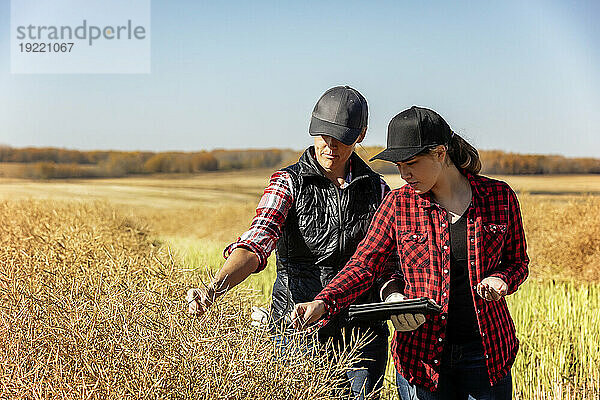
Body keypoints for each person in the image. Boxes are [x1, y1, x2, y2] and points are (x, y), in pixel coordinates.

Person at [292, 106, 529, 400]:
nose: (404, 174)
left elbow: (518, 261)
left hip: (487, 355)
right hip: (421, 357)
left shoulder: (499, 197)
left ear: (440, 153)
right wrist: (324, 303)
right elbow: (364, 266)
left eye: (411, 163)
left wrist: (503, 279)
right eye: (398, 166)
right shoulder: (398, 204)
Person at [187, 86, 394, 400]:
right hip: (297, 332)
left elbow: (388, 261)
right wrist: (215, 288)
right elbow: (257, 241)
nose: (331, 146)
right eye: (324, 135)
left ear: (362, 135)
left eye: (343, 138)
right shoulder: (288, 182)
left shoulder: (378, 188)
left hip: (361, 335)